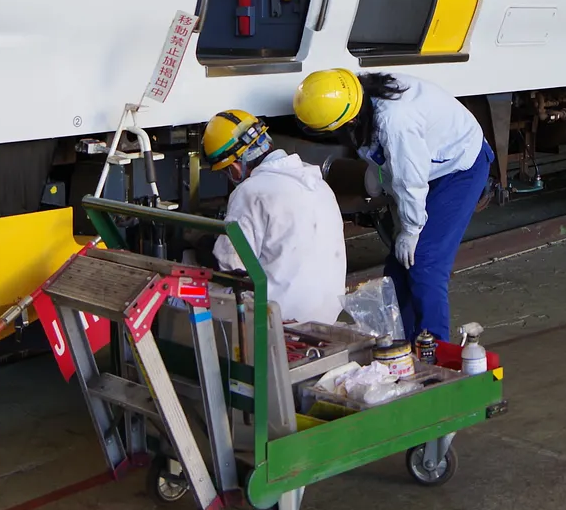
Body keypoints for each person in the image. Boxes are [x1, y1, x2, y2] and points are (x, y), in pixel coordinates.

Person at [292, 69, 493, 342]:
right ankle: (404, 345)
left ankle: (436, 352)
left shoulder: (396, 121)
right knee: (398, 269)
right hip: (430, 162)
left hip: (460, 167)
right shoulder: (354, 97)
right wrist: (380, 172)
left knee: (425, 262)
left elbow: (410, 180)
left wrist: (410, 230)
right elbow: (391, 158)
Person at [200, 109, 346, 324]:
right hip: (328, 314)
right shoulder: (315, 180)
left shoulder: (251, 191)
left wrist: (202, 250)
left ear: (235, 166)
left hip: (281, 321)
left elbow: (230, 263)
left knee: (200, 288)